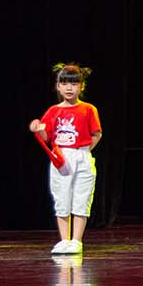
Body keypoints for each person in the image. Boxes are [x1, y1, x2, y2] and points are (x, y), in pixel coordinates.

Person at [28, 63, 103, 254]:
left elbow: (96, 133)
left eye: (74, 84)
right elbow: (46, 136)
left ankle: (76, 241)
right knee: (62, 197)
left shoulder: (88, 109)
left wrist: (84, 150)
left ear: (82, 86)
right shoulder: (53, 111)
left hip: (82, 155)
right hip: (61, 157)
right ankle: (64, 240)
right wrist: (37, 128)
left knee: (81, 197)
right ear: (58, 86)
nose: (69, 88)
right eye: (65, 83)